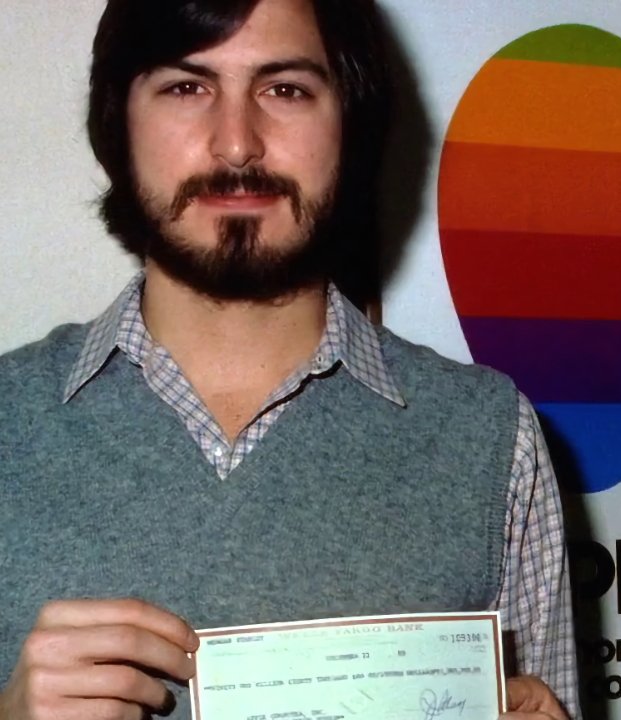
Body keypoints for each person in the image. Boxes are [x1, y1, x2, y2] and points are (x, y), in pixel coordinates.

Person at [0, 1, 577, 719]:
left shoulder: (491, 437)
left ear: (349, 125)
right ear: (118, 121)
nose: (237, 144)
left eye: (286, 89)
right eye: (186, 86)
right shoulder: (6, 426)